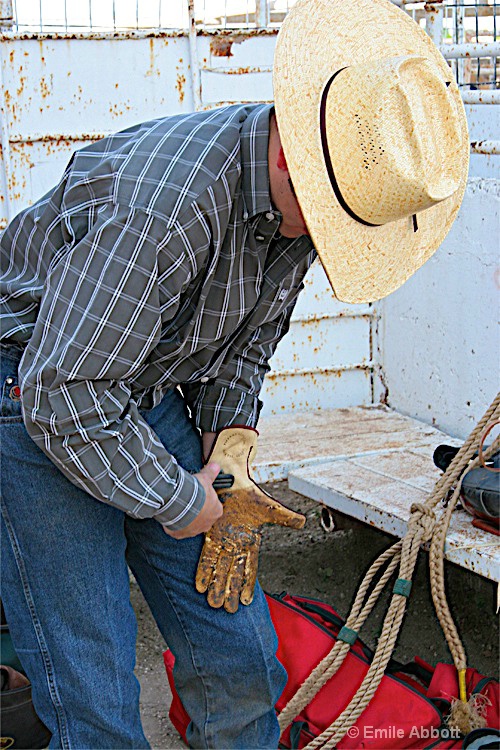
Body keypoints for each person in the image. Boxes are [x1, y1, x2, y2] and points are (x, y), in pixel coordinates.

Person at [0, 0, 469, 746]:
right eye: (326, 224)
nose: (324, 242)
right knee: (95, 689)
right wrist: (176, 500)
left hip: (132, 389)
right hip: (34, 393)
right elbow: (64, 395)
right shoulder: (163, 208)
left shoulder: (310, 199)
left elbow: (249, 338)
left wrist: (230, 445)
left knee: (241, 651)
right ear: (293, 161)